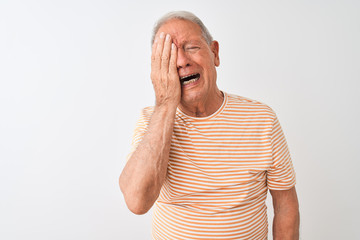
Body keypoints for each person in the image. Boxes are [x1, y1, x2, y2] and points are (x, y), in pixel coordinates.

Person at [119, 11, 299, 240]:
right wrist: (165, 105)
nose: (182, 61)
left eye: (191, 47)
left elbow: (285, 205)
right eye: (169, 55)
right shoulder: (151, 121)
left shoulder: (261, 119)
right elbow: (136, 201)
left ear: (214, 53)